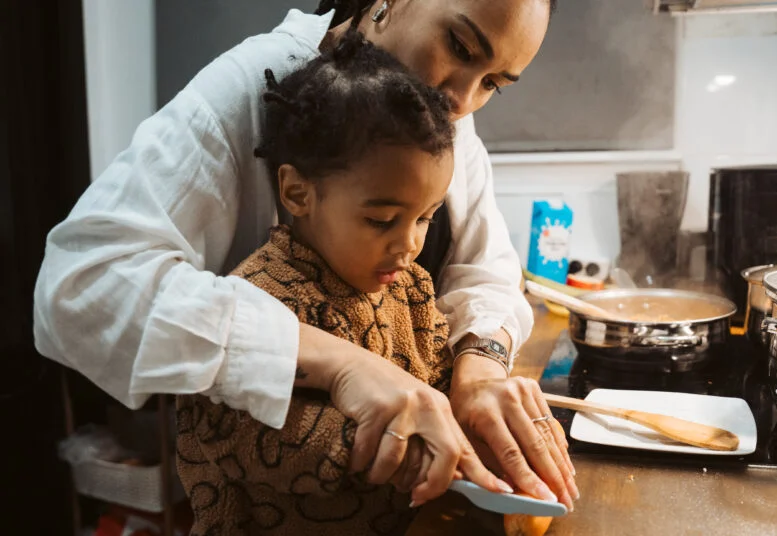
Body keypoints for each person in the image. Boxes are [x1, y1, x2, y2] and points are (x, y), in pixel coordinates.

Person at [33, 0, 577, 510]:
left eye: (493, 85)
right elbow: (80, 287)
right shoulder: (248, 87)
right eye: (459, 47)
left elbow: (485, 269)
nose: (462, 102)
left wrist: (481, 371)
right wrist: (343, 366)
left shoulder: (443, 112)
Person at [178, 32, 473, 534]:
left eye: (425, 218)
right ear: (297, 192)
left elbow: (437, 391)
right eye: (382, 220)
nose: (409, 245)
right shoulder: (258, 301)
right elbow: (228, 430)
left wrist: (471, 425)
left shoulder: (413, 290)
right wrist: (386, 447)